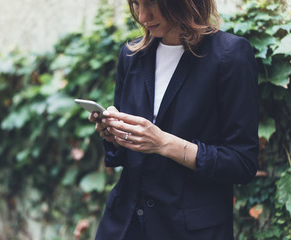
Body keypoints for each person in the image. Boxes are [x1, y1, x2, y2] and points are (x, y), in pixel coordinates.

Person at [88, 0, 259, 239]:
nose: (143, 15)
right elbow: (127, 156)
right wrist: (114, 135)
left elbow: (242, 163)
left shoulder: (230, 55)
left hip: (190, 230)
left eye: (151, 4)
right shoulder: (131, 55)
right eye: (136, 3)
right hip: (123, 225)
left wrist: (164, 143)